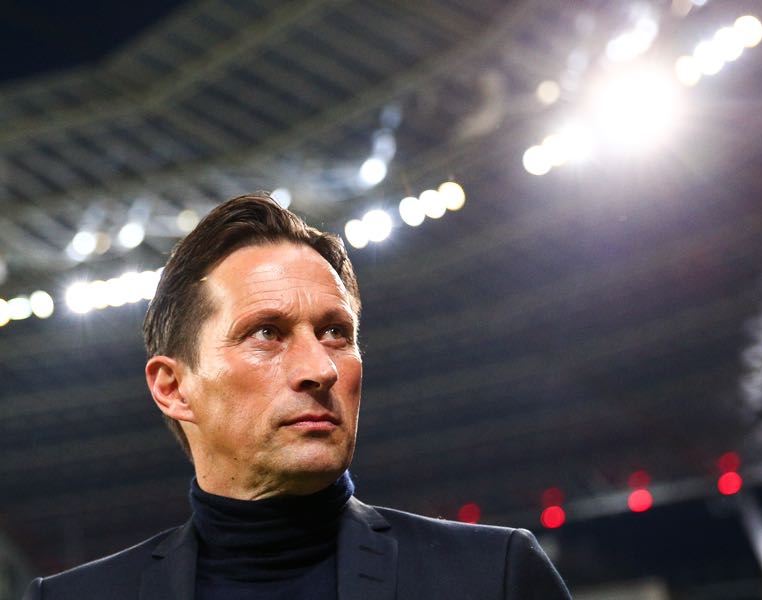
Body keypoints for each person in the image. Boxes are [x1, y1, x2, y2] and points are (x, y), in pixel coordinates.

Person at [24, 193, 571, 599]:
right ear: (174, 388)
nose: (319, 368)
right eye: (267, 332)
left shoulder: (492, 577)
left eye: (336, 332)